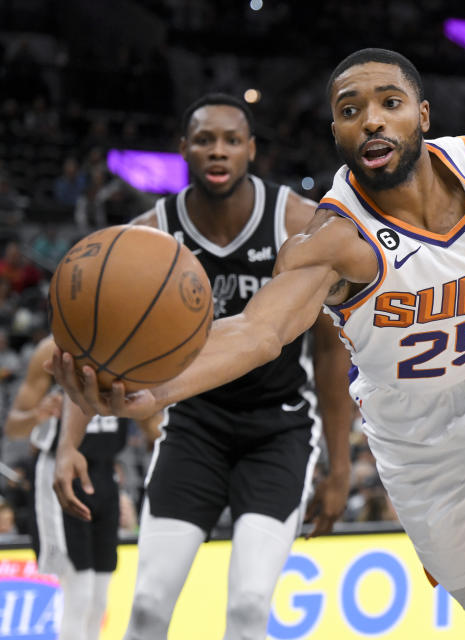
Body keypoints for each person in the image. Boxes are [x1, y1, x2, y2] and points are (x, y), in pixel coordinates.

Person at [51, 49, 465, 640]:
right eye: (350, 110)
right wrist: (156, 392)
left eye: (390, 102)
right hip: (413, 437)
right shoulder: (330, 239)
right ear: (337, 132)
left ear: (424, 115)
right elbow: (260, 332)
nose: (373, 120)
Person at [53, 93, 355, 639]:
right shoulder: (149, 233)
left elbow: (332, 353)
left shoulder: (296, 222)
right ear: (183, 149)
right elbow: (94, 346)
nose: (218, 151)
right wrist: (69, 445)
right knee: (145, 607)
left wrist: (339, 467)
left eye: (231, 141)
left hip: (278, 429)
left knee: (246, 609)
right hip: (194, 427)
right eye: (205, 140)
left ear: (251, 151)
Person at [4, 335, 154, 640]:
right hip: (60, 476)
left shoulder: (129, 345)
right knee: (79, 592)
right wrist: (38, 414)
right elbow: (13, 427)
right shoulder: (51, 350)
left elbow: (152, 425)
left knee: (100, 597)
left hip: (104, 474)